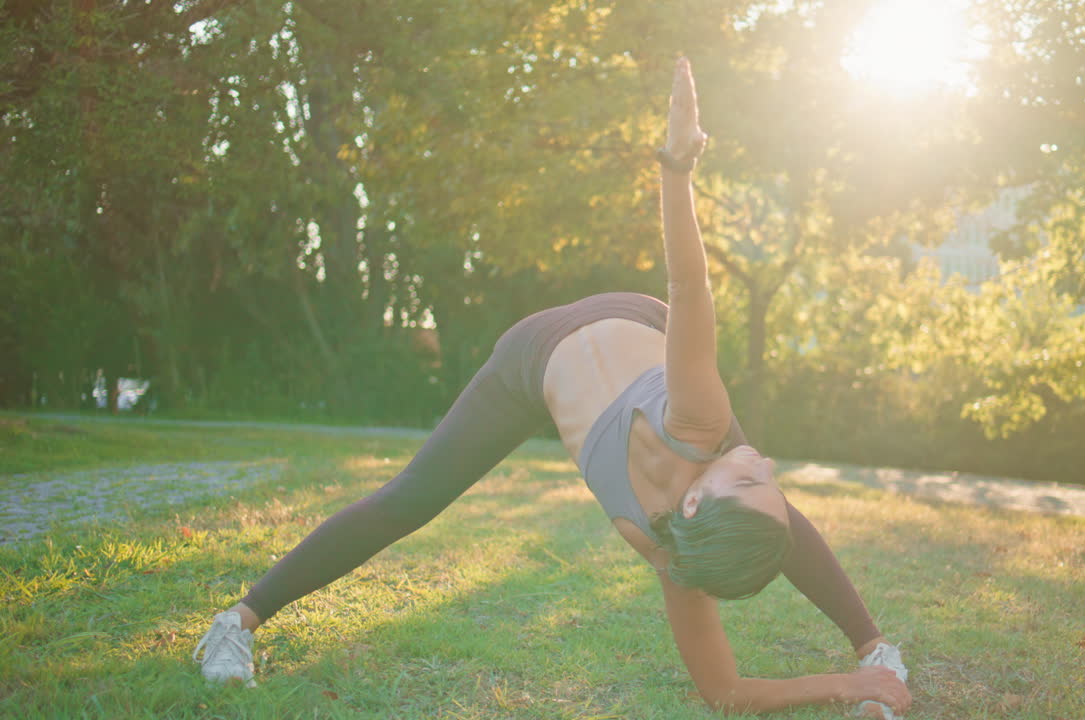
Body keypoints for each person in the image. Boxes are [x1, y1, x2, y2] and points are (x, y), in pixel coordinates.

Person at [193, 57, 912, 718]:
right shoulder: (703, 421)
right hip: (630, 322)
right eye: (761, 476)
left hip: (535, 367)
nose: (765, 463)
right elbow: (689, 289)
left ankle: (873, 653)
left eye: (751, 481)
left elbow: (723, 692)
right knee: (407, 499)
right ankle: (236, 622)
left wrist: (853, 689)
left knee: (757, 525)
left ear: (694, 501)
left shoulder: (672, 551)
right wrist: (675, 167)